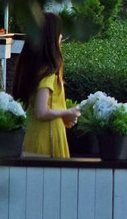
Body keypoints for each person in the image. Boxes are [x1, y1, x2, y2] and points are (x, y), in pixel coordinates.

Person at [12, 11, 79, 158]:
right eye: (60, 34)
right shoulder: (48, 73)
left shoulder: (33, 69)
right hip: (48, 140)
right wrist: (67, 112)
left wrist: (62, 116)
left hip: (33, 136)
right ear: (52, 38)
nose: (61, 38)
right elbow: (41, 111)